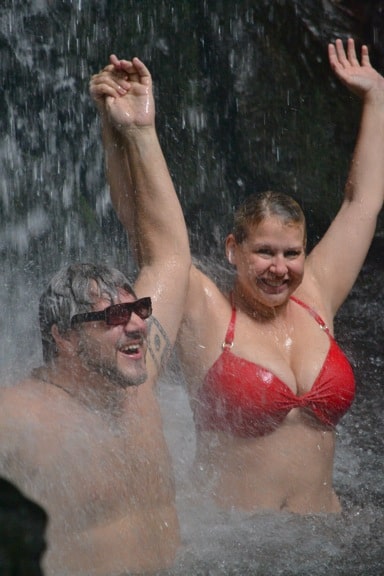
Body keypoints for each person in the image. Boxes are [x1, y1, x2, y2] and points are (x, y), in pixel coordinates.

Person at [96, 37, 384, 517]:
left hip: (326, 537)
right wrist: (127, 132)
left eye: (291, 253)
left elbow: (362, 202)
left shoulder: (315, 293)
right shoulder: (205, 308)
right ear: (234, 249)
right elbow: (147, 234)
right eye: (264, 252)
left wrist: (376, 99)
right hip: (245, 546)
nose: (280, 267)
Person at [0, 57, 191, 575]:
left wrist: (140, 131)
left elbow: (169, 256)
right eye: (114, 316)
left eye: (137, 310)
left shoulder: (138, 378)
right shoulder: (20, 417)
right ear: (63, 337)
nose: (136, 324)